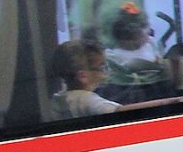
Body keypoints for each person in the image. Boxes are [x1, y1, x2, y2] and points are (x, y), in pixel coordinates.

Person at [47, 39, 176, 120]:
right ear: (83, 76)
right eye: (102, 67)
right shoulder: (87, 99)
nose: (105, 72)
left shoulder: (58, 99)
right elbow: (119, 111)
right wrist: (170, 101)